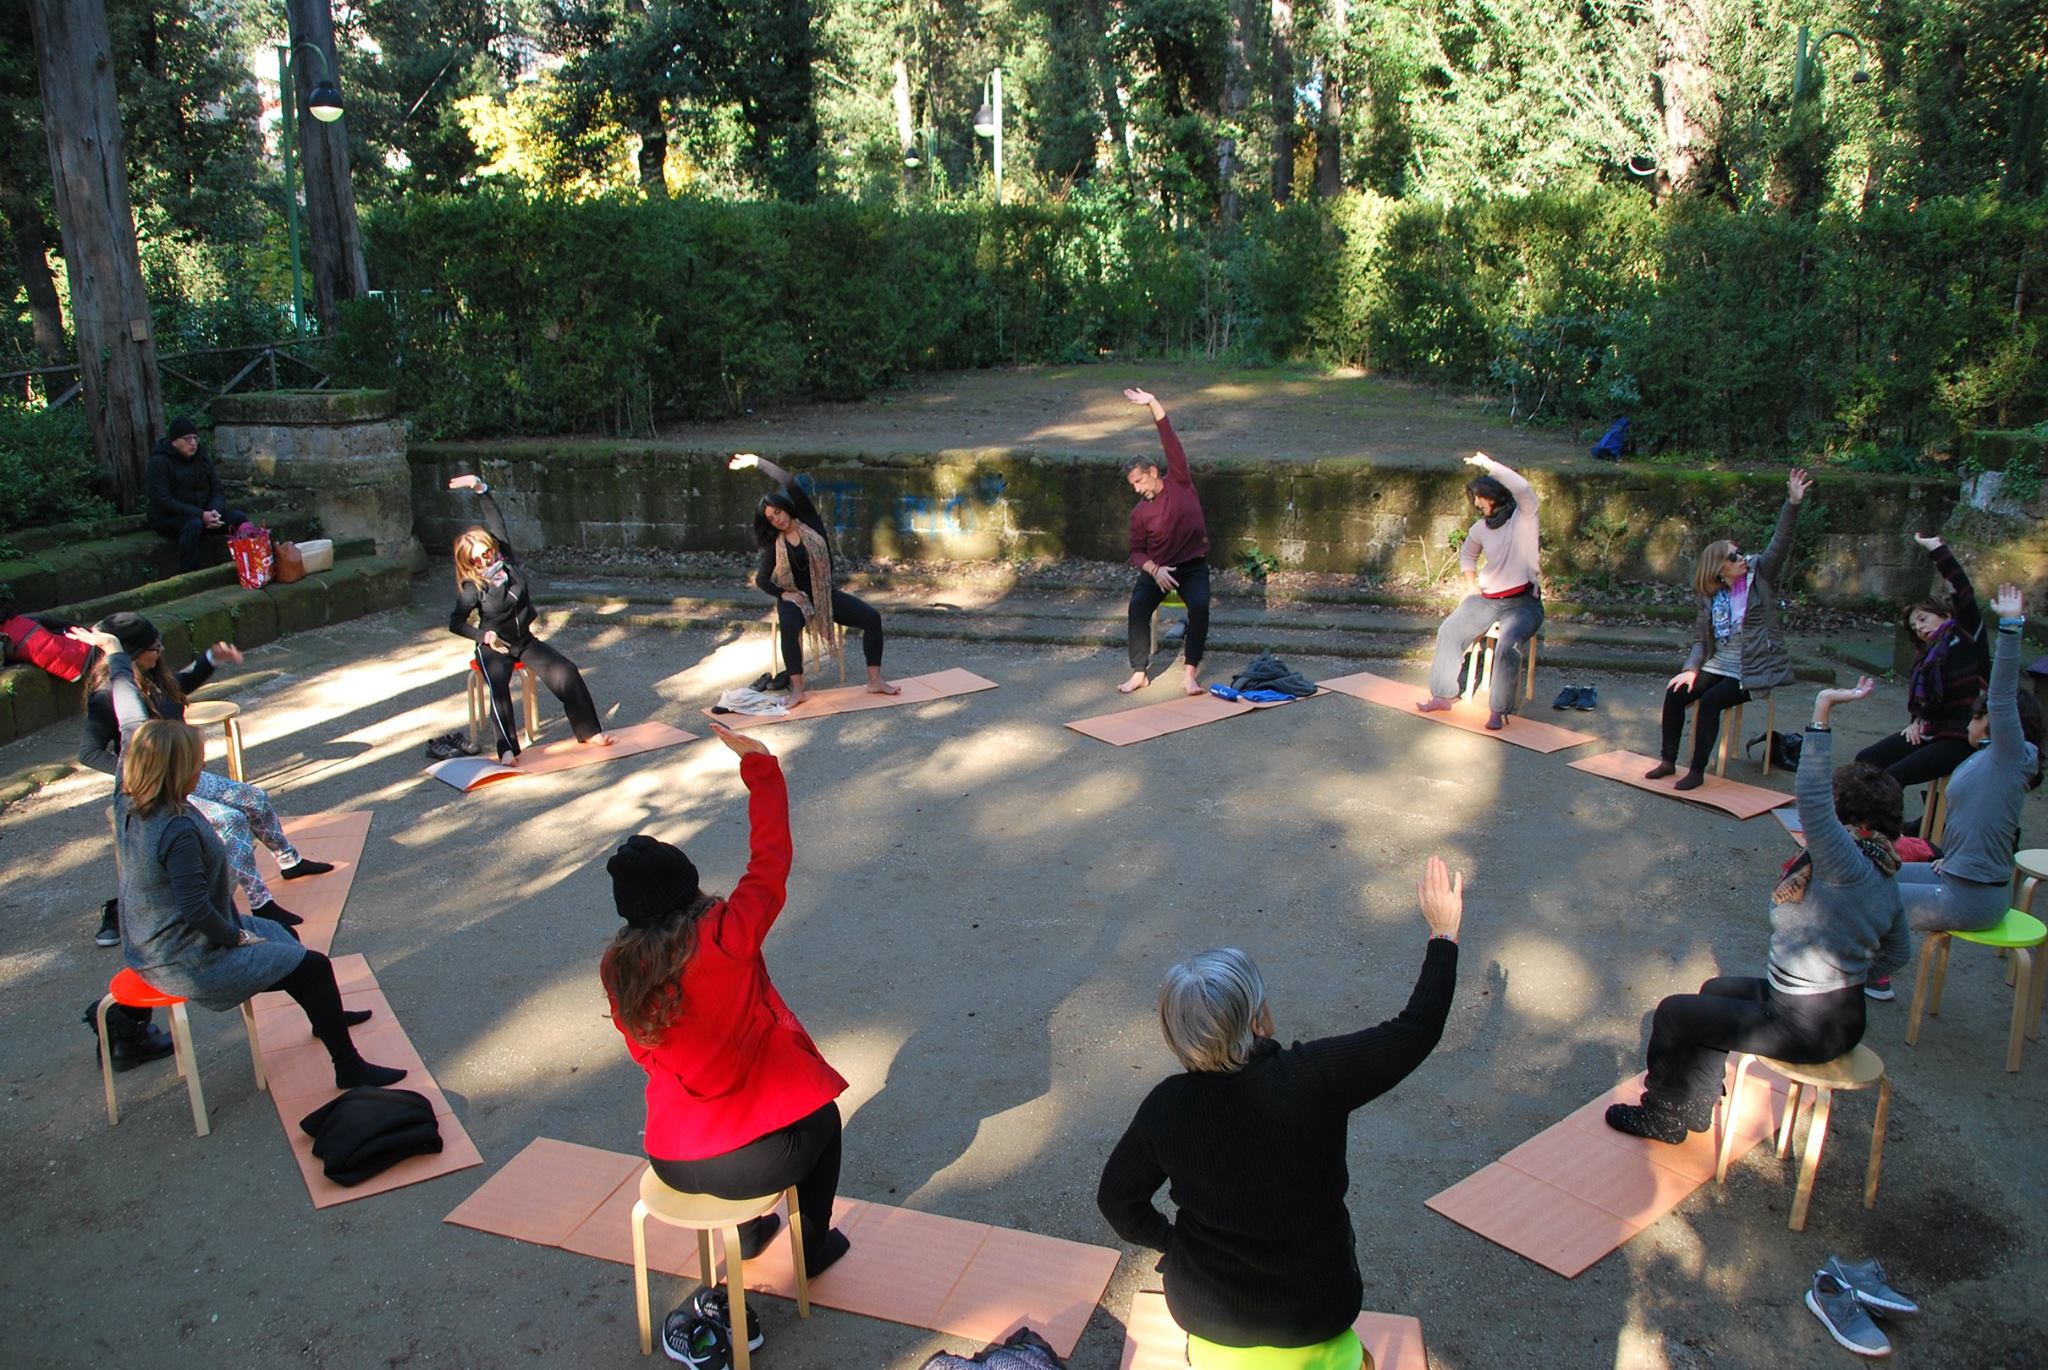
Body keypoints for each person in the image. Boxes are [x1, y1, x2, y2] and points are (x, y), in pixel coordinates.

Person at [1095, 857, 1465, 1368]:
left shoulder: (1167, 1108)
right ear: (1259, 1020)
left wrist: (1172, 1242)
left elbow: (1117, 1201)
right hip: (1318, 1309)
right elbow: (1416, 1029)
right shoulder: (1314, 1077)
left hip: (1209, 1318)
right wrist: (1443, 933)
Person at [600, 720, 853, 1303]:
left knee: (747, 1125)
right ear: (687, 886)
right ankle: (810, 1249)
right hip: (742, 1164)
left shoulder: (618, 966)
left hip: (667, 1155)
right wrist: (761, 767)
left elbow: (643, 1052)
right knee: (822, 1120)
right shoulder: (724, 935)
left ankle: (747, 1232)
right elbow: (769, 861)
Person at [1606, 678, 1910, 1143]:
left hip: (1805, 1023)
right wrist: (1844, 972)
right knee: (1714, 990)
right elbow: (1897, 953)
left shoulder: (1845, 862)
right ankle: (1696, 1103)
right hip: (1841, 1014)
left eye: (1836, 810)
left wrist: (1821, 712)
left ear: (1857, 821)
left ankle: (1662, 1116)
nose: (1823, 820)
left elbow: (1810, 801)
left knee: (1672, 1013)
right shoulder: (1882, 866)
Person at [105, 719, 403, 1088]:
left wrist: (117, 660)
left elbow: (131, 726)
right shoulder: (176, 830)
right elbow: (197, 911)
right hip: (186, 958)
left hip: (151, 944)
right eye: (197, 762)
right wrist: (238, 938)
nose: (202, 769)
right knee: (314, 967)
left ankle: (324, 1016)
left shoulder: (128, 800)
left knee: (285, 935)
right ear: (176, 770)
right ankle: (349, 1067)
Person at [76, 613, 328, 946]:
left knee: (254, 797)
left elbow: (179, 687)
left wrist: (209, 659)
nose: (162, 650)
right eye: (154, 646)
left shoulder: (153, 677)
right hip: (159, 788)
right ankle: (261, 903)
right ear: (134, 652)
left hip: (184, 775)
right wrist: (141, 772)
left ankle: (290, 861)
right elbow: (89, 753)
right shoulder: (108, 695)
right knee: (230, 821)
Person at [1889, 586, 2043, 939]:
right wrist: (1953, 859)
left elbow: (2001, 695)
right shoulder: (1988, 758)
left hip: (1972, 896)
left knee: (1865, 897)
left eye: (1975, 716)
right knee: (1868, 877)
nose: (1968, 723)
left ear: (1994, 722)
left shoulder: (2008, 756)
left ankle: (1874, 976)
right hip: (1956, 876)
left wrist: (2009, 625)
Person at [1647, 468, 1812, 789]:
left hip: (1751, 669)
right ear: (1719, 569)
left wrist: (1792, 504)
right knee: (1675, 691)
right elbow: (1700, 642)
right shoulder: (1712, 596)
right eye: (1733, 556)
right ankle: (1668, 760)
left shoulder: (1759, 576)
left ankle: (1697, 769)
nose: (1741, 557)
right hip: (1719, 664)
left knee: (1710, 703)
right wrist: (1691, 670)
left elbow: (1780, 544)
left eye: (1739, 553)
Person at [445, 474, 611, 763]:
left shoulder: (507, 563)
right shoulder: (473, 588)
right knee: (499, 686)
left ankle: (589, 731)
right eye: (478, 560)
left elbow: (497, 524)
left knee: (566, 671)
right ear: (469, 563)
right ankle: (507, 748)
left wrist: (480, 488)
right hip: (493, 646)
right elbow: (455, 622)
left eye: (487, 553)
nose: (485, 561)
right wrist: (484, 636)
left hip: (523, 640)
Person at [730, 452, 896, 706]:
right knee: (788, 625)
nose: (778, 519)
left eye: (778, 512)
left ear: (785, 507)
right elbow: (762, 580)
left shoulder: (810, 521)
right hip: (795, 596)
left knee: (871, 618)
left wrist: (758, 462)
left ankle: (875, 681)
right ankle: (797, 690)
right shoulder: (776, 544)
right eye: (771, 519)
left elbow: (790, 483)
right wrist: (785, 595)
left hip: (824, 593)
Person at [1416, 453, 1543, 730]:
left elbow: (1522, 488)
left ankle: (1498, 710)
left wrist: (1488, 465)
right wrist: (1471, 583)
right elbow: (1467, 555)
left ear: (1494, 496)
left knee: (1507, 646)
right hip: (1487, 599)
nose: (1476, 503)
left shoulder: (1524, 517)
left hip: (1523, 603)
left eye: (1479, 497)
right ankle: (1442, 694)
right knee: (1449, 631)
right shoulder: (1480, 528)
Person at [1854, 533, 1988, 790]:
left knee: (1892, 778)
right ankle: (1865, 822)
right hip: (1932, 730)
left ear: (1945, 614)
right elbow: (1924, 700)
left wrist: (1937, 549)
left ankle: (1884, 826)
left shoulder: (1966, 636)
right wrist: (1916, 721)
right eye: (1915, 627)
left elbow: (1963, 592)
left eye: (1924, 619)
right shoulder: (1925, 659)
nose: (1920, 629)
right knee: (1866, 760)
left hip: (1963, 736)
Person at [1117, 388, 1211, 696]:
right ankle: (1139, 672)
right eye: (1132, 485)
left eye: (1140, 481)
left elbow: (1169, 438)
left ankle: (1190, 674)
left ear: (1154, 472)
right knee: (1137, 608)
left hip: (1192, 565)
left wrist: (1153, 404)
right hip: (1158, 570)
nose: (1137, 489)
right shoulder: (1139, 513)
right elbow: (1136, 552)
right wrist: (1154, 569)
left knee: (1199, 606)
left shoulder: (1180, 480)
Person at [145, 416, 249, 572]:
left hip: (204, 513)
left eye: (195, 438)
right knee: (193, 525)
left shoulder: (201, 457)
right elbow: (164, 500)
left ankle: (249, 561)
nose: (193, 443)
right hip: (170, 517)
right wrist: (201, 515)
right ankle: (190, 572)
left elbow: (217, 489)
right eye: (187, 439)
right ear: (174, 441)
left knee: (238, 518)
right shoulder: (159, 462)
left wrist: (215, 511)